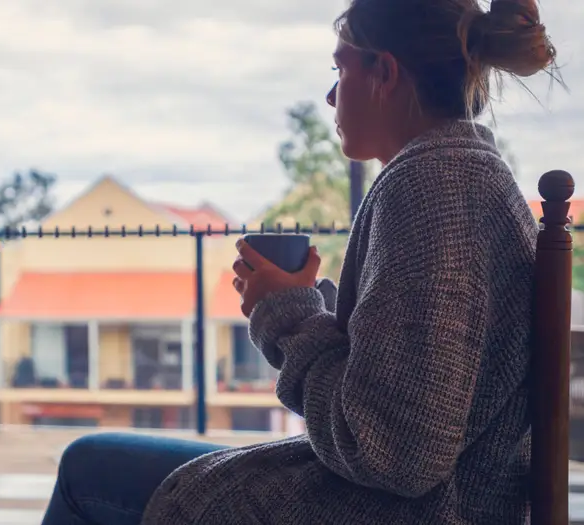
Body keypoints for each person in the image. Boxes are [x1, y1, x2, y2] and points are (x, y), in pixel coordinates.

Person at [41, 0, 558, 523]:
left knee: (88, 469)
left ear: (385, 73)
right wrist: (312, 307)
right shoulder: (466, 178)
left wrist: (288, 317)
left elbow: (392, 451)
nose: (331, 95)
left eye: (340, 70)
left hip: (412, 511)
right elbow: (418, 382)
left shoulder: (431, 190)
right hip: (431, 500)